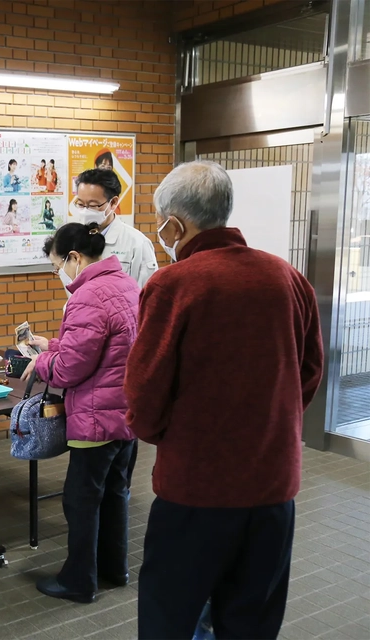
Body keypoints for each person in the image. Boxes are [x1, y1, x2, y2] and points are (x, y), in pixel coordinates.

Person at [125, 161, 324, 639]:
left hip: (196, 489)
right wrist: (271, 421)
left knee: (170, 615)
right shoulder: (287, 277)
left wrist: (161, 433)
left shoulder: (173, 285)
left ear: (175, 224)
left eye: (161, 222)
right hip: (273, 486)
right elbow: (310, 371)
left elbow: (145, 391)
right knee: (252, 618)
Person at [23, 222, 139, 604]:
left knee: (81, 499)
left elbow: (72, 367)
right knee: (115, 493)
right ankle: (113, 568)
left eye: (57, 266)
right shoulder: (124, 284)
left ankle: (78, 581)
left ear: (74, 257)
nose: (58, 274)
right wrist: (51, 343)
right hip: (126, 414)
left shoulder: (87, 295)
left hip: (96, 417)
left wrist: (41, 362)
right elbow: (102, 344)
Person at [71, 169, 157, 289]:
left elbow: (147, 295)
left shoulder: (137, 243)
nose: (86, 211)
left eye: (93, 205)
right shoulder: (73, 237)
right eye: (80, 204)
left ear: (113, 202)